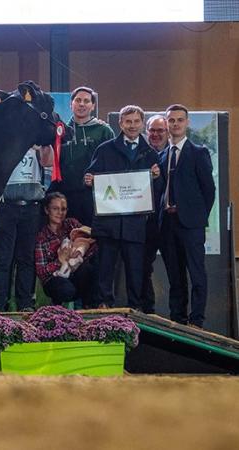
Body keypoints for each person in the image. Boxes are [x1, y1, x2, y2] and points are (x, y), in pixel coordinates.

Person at [84, 105, 161, 309]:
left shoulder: (150, 154)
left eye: (136, 121)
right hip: (108, 223)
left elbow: (158, 191)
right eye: (128, 121)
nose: (132, 126)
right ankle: (103, 305)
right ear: (120, 124)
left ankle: (135, 308)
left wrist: (156, 178)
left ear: (142, 123)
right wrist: (89, 179)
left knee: (136, 269)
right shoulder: (105, 149)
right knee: (105, 268)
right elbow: (91, 176)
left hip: (135, 224)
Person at [159, 104, 215, 328]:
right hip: (168, 223)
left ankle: (197, 320)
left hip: (191, 224)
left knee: (196, 272)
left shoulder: (198, 152)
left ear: (187, 123)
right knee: (175, 275)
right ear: (167, 123)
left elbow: (208, 190)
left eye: (179, 120)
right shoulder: (162, 156)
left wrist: (197, 216)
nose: (175, 124)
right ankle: (177, 319)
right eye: (171, 120)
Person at [0, 142, 53, 312]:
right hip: (5, 207)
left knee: (26, 258)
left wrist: (41, 147)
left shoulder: (39, 143)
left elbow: (49, 163)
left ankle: (25, 304)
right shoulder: (5, 142)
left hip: (31, 207)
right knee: (2, 259)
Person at [48, 86, 114, 227]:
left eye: (86, 101)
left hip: (94, 196)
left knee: (91, 238)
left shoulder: (104, 131)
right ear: (70, 104)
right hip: (65, 196)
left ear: (93, 105)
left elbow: (113, 164)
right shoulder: (61, 130)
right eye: (78, 100)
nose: (82, 104)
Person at [34, 192, 97, 308]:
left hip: (75, 271)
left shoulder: (72, 224)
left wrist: (79, 252)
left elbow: (90, 240)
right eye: (55, 209)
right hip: (53, 278)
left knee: (89, 269)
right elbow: (41, 272)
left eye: (63, 209)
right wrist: (60, 260)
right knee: (66, 290)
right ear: (47, 210)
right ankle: (56, 306)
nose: (60, 213)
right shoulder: (41, 236)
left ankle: (88, 308)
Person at [140, 115, 170, 314]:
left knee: (175, 269)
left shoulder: (174, 154)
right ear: (146, 131)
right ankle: (147, 310)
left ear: (168, 132)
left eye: (161, 131)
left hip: (170, 222)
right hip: (146, 222)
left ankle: (179, 316)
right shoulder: (140, 154)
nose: (156, 134)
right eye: (152, 130)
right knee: (143, 268)